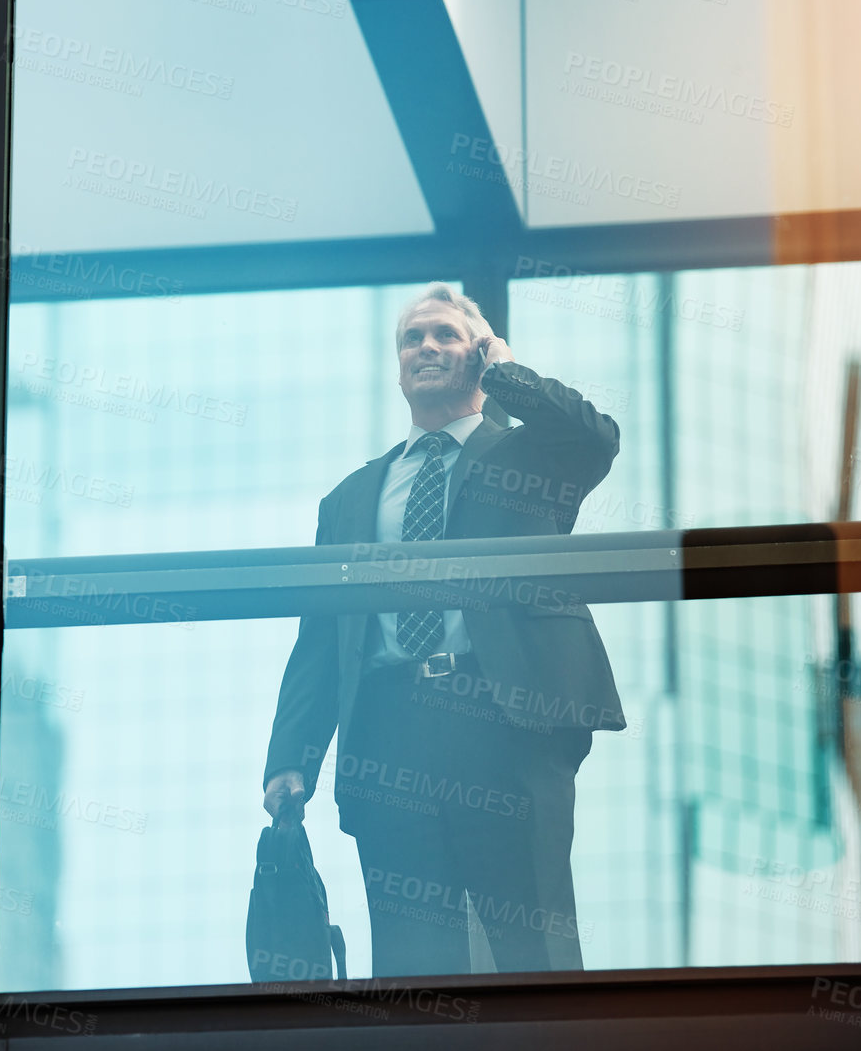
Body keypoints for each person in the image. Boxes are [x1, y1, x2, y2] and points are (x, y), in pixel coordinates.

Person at [261, 282, 625, 976]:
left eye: (447, 336)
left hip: (506, 725)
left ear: (479, 355)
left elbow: (594, 439)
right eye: (412, 338)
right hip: (388, 732)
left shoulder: (530, 458)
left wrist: (508, 374)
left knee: (534, 950)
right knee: (410, 967)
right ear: (398, 366)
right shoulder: (350, 498)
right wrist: (291, 757)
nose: (426, 347)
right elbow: (321, 637)